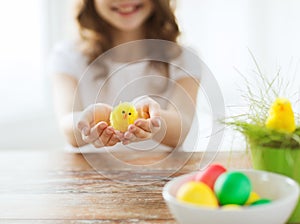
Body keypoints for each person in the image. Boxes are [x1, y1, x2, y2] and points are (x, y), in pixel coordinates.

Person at [49, 0, 200, 152]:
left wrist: (152, 118)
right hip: (85, 172)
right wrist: (87, 121)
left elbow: (182, 128)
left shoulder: (184, 58)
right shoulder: (67, 55)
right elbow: (67, 125)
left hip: (161, 172)